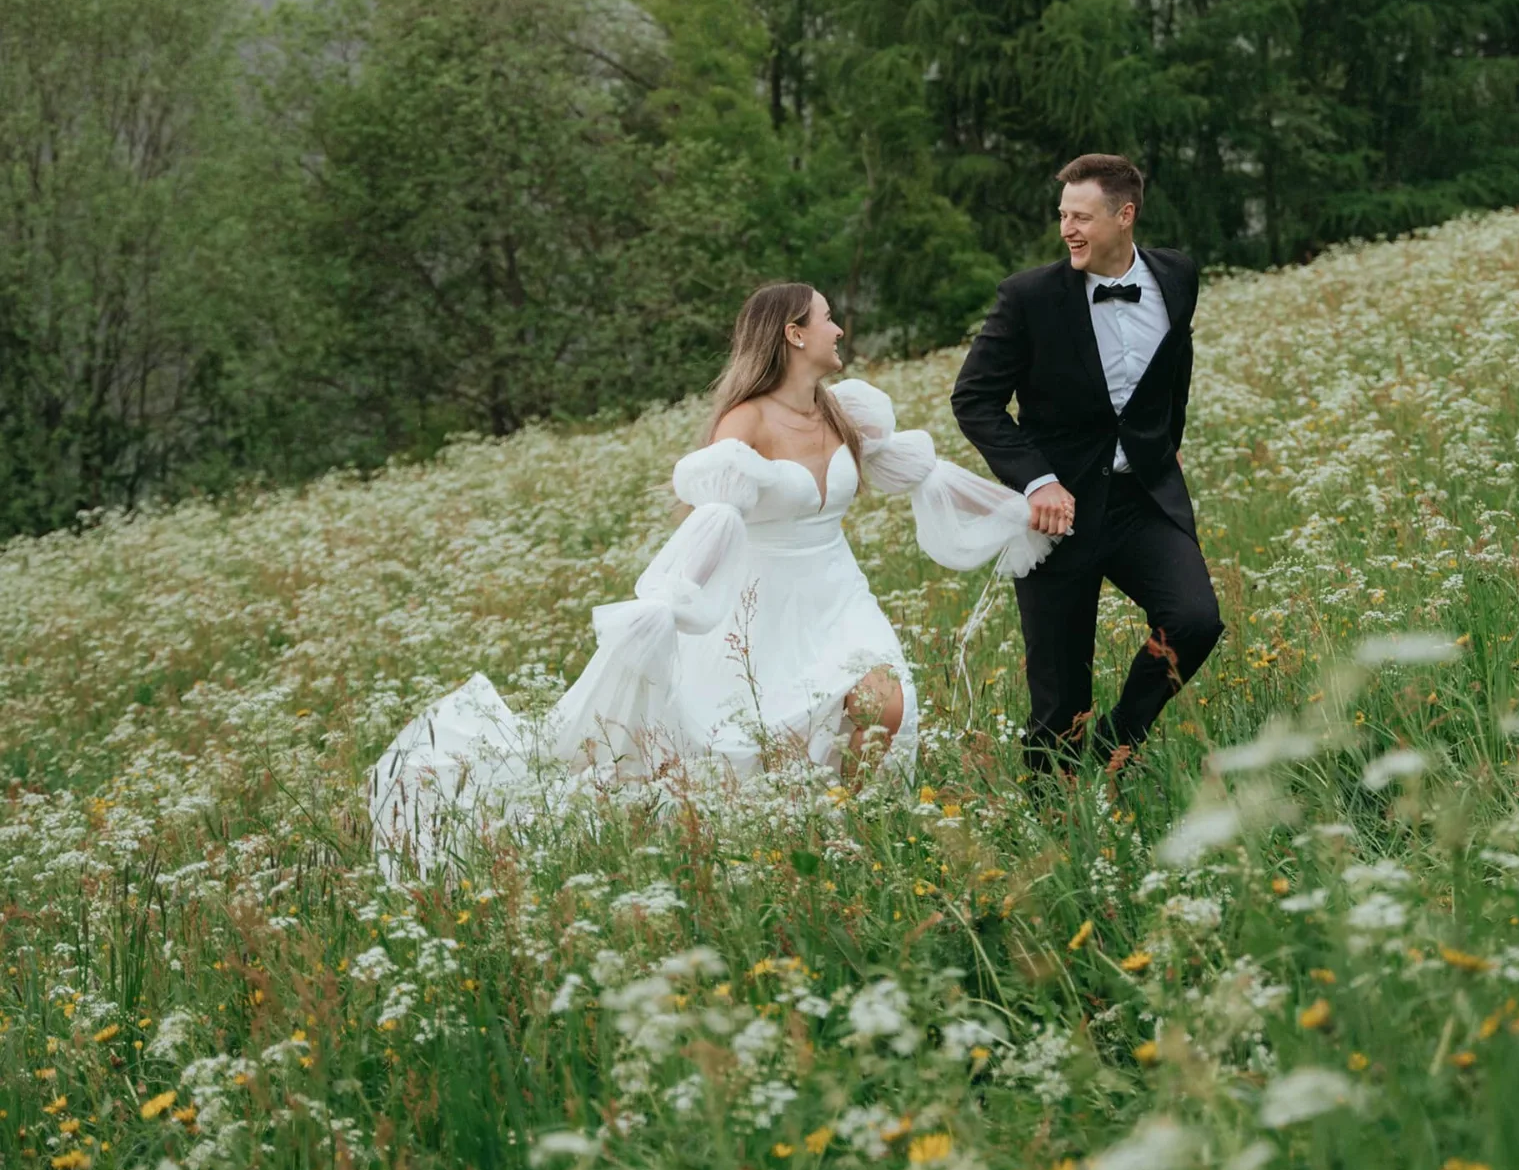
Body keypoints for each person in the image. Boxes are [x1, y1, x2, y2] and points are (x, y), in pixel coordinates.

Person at [369, 281, 1052, 873]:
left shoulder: (843, 411)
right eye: (826, 318)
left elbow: (922, 475)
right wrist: (665, 605)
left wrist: (1023, 506)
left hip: (839, 596)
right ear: (793, 334)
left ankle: (856, 827)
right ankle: (804, 838)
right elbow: (715, 520)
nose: (839, 330)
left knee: (884, 703)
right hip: (758, 606)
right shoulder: (744, 422)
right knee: (745, 749)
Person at [952, 152, 1222, 776]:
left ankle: (1115, 745)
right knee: (1059, 697)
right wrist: (1037, 481)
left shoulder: (1177, 275)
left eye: (1081, 217)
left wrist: (1165, 439)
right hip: (1057, 513)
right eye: (1062, 216)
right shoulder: (1028, 297)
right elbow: (974, 400)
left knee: (1194, 620)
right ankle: (1054, 813)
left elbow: (1175, 364)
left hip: (1140, 500)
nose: (1067, 230)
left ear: (1125, 216)